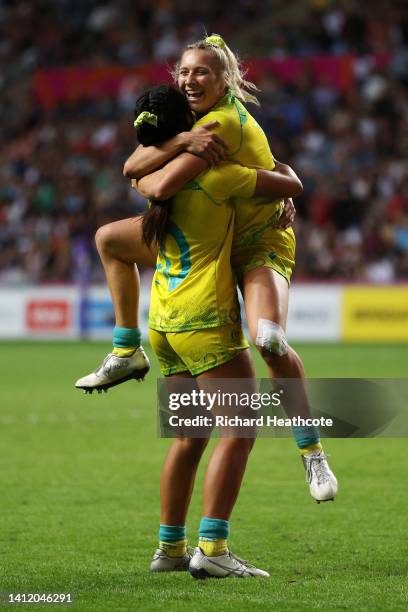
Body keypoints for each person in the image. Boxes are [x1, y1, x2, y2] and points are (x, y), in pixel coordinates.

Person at [75, 34, 337, 505]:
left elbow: (154, 183)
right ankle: (125, 348)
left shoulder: (219, 125)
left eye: (202, 71)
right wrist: (178, 139)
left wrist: (284, 188)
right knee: (110, 240)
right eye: (184, 71)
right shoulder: (190, 121)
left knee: (269, 339)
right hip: (214, 234)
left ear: (227, 79)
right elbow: (133, 163)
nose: (190, 79)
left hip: (257, 241)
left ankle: (310, 447)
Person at [121, 84, 304, 578]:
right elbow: (291, 188)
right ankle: (214, 549)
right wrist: (281, 181)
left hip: (161, 323)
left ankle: (169, 550)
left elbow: (134, 190)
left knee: (188, 438)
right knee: (240, 431)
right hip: (205, 320)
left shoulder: (154, 176)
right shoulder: (220, 174)